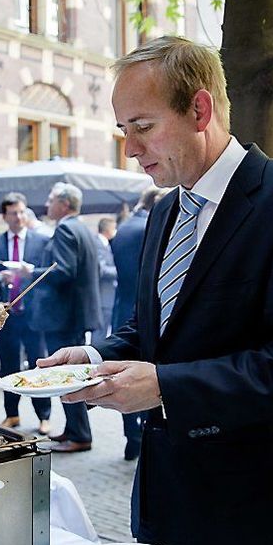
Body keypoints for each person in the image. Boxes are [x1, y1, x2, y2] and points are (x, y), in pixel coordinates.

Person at [40, 36, 273, 545]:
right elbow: (156, 329)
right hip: (165, 501)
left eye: (142, 126)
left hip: (250, 515)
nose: (130, 149)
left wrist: (165, 386)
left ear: (200, 110)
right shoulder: (165, 210)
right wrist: (93, 358)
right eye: (122, 131)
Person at [11, 182, 101, 453]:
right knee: (69, 375)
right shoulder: (81, 227)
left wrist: (30, 272)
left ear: (64, 204)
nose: (47, 205)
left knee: (66, 376)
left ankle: (80, 435)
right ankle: (73, 430)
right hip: (74, 315)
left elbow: (63, 271)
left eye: (51, 200)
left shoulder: (64, 228)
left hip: (62, 317)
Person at [110, 186, 167, 461]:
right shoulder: (147, 227)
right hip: (143, 312)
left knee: (122, 376)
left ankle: (131, 438)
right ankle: (142, 435)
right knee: (140, 378)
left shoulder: (124, 227)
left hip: (123, 307)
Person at [0, 191, 52, 434]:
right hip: (6, 315)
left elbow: (47, 276)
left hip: (32, 315)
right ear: (4, 216)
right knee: (8, 365)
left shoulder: (40, 241)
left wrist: (30, 272)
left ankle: (44, 416)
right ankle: (12, 414)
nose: (18, 217)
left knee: (39, 364)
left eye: (21, 212)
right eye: (13, 213)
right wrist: (0, 277)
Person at [90, 217, 118, 343]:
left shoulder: (105, 244)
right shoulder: (98, 244)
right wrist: (120, 272)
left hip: (106, 295)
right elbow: (101, 269)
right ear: (109, 229)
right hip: (103, 295)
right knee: (100, 332)